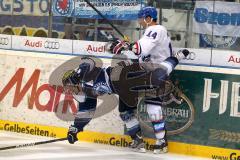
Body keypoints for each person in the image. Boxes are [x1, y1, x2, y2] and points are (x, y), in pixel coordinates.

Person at [62, 48, 189, 153]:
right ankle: (137, 140)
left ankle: (176, 58)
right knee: (125, 113)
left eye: (68, 87)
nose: (69, 91)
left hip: (119, 76)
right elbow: (86, 111)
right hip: (122, 91)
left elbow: (88, 62)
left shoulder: (83, 74)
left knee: (156, 77)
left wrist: (78, 74)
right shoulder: (83, 93)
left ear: (73, 81)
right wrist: (75, 128)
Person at [108, 6, 187, 154]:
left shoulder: (155, 29)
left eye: (141, 18)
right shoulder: (153, 31)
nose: (139, 21)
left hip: (152, 72)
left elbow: (139, 49)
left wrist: (126, 45)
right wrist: (126, 47)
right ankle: (160, 141)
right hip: (153, 72)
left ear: (149, 18)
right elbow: (140, 53)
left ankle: (142, 140)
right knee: (152, 106)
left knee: (132, 106)